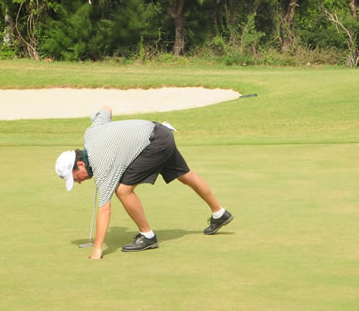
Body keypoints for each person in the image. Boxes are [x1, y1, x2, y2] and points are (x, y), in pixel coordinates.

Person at [55, 106, 233, 259]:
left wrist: (97, 248)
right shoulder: (90, 133)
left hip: (154, 143)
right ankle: (220, 213)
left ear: (79, 164)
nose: (78, 182)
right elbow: (106, 109)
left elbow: (105, 209)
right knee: (185, 175)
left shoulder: (101, 165)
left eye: (75, 177)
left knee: (123, 190)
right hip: (161, 133)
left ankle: (147, 236)